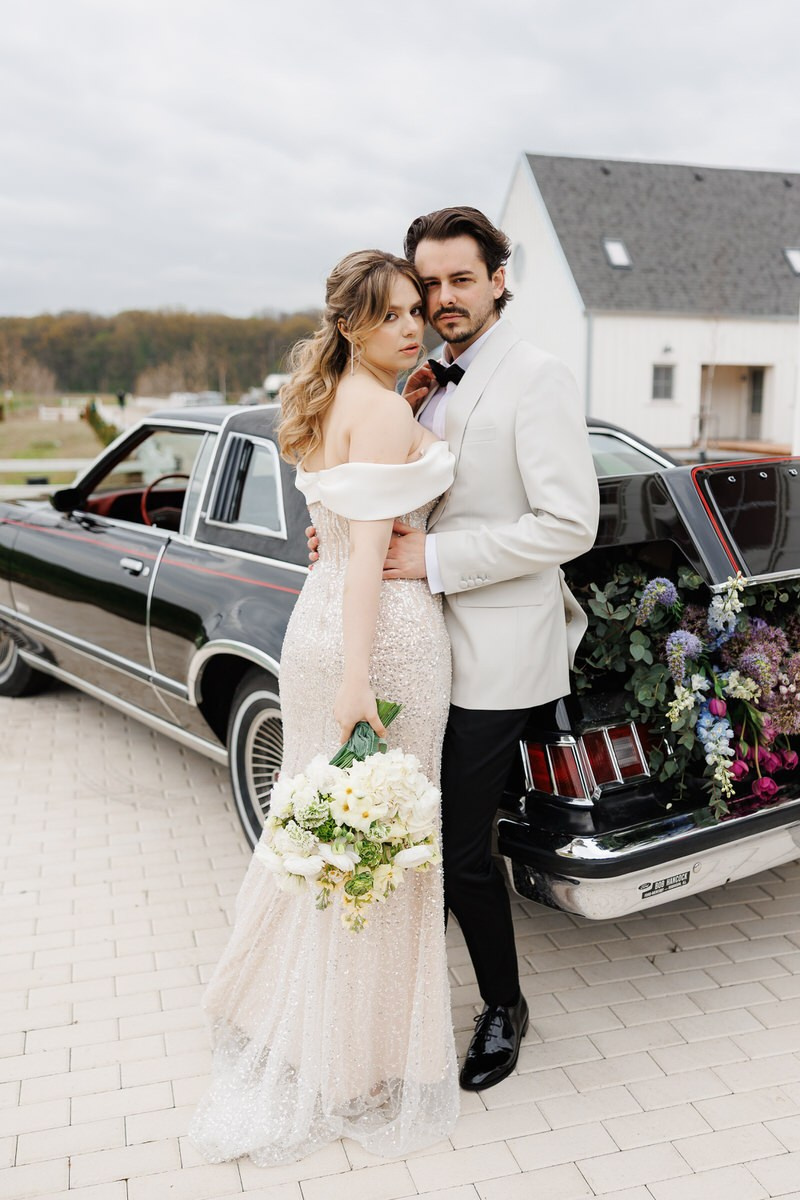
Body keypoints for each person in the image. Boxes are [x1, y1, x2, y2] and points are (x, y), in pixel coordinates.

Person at [310, 207, 600, 1091]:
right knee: (410, 836)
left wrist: (429, 559)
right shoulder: (422, 380)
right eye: (428, 283)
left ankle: (504, 1007)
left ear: (499, 281)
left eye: (460, 280)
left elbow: (569, 524)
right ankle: (401, 1005)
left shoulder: (537, 376)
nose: (442, 298)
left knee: (462, 848)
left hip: (497, 652)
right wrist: (348, 535)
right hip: (418, 645)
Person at [189, 250, 459, 1167]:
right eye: (391, 316)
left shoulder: (324, 399)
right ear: (350, 325)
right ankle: (354, 1065)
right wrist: (356, 682)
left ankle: (292, 1021)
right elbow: (371, 559)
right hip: (377, 639)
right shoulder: (382, 411)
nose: (413, 327)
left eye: (416, 310)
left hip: (317, 623)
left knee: (322, 837)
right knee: (380, 849)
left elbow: (335, 539)